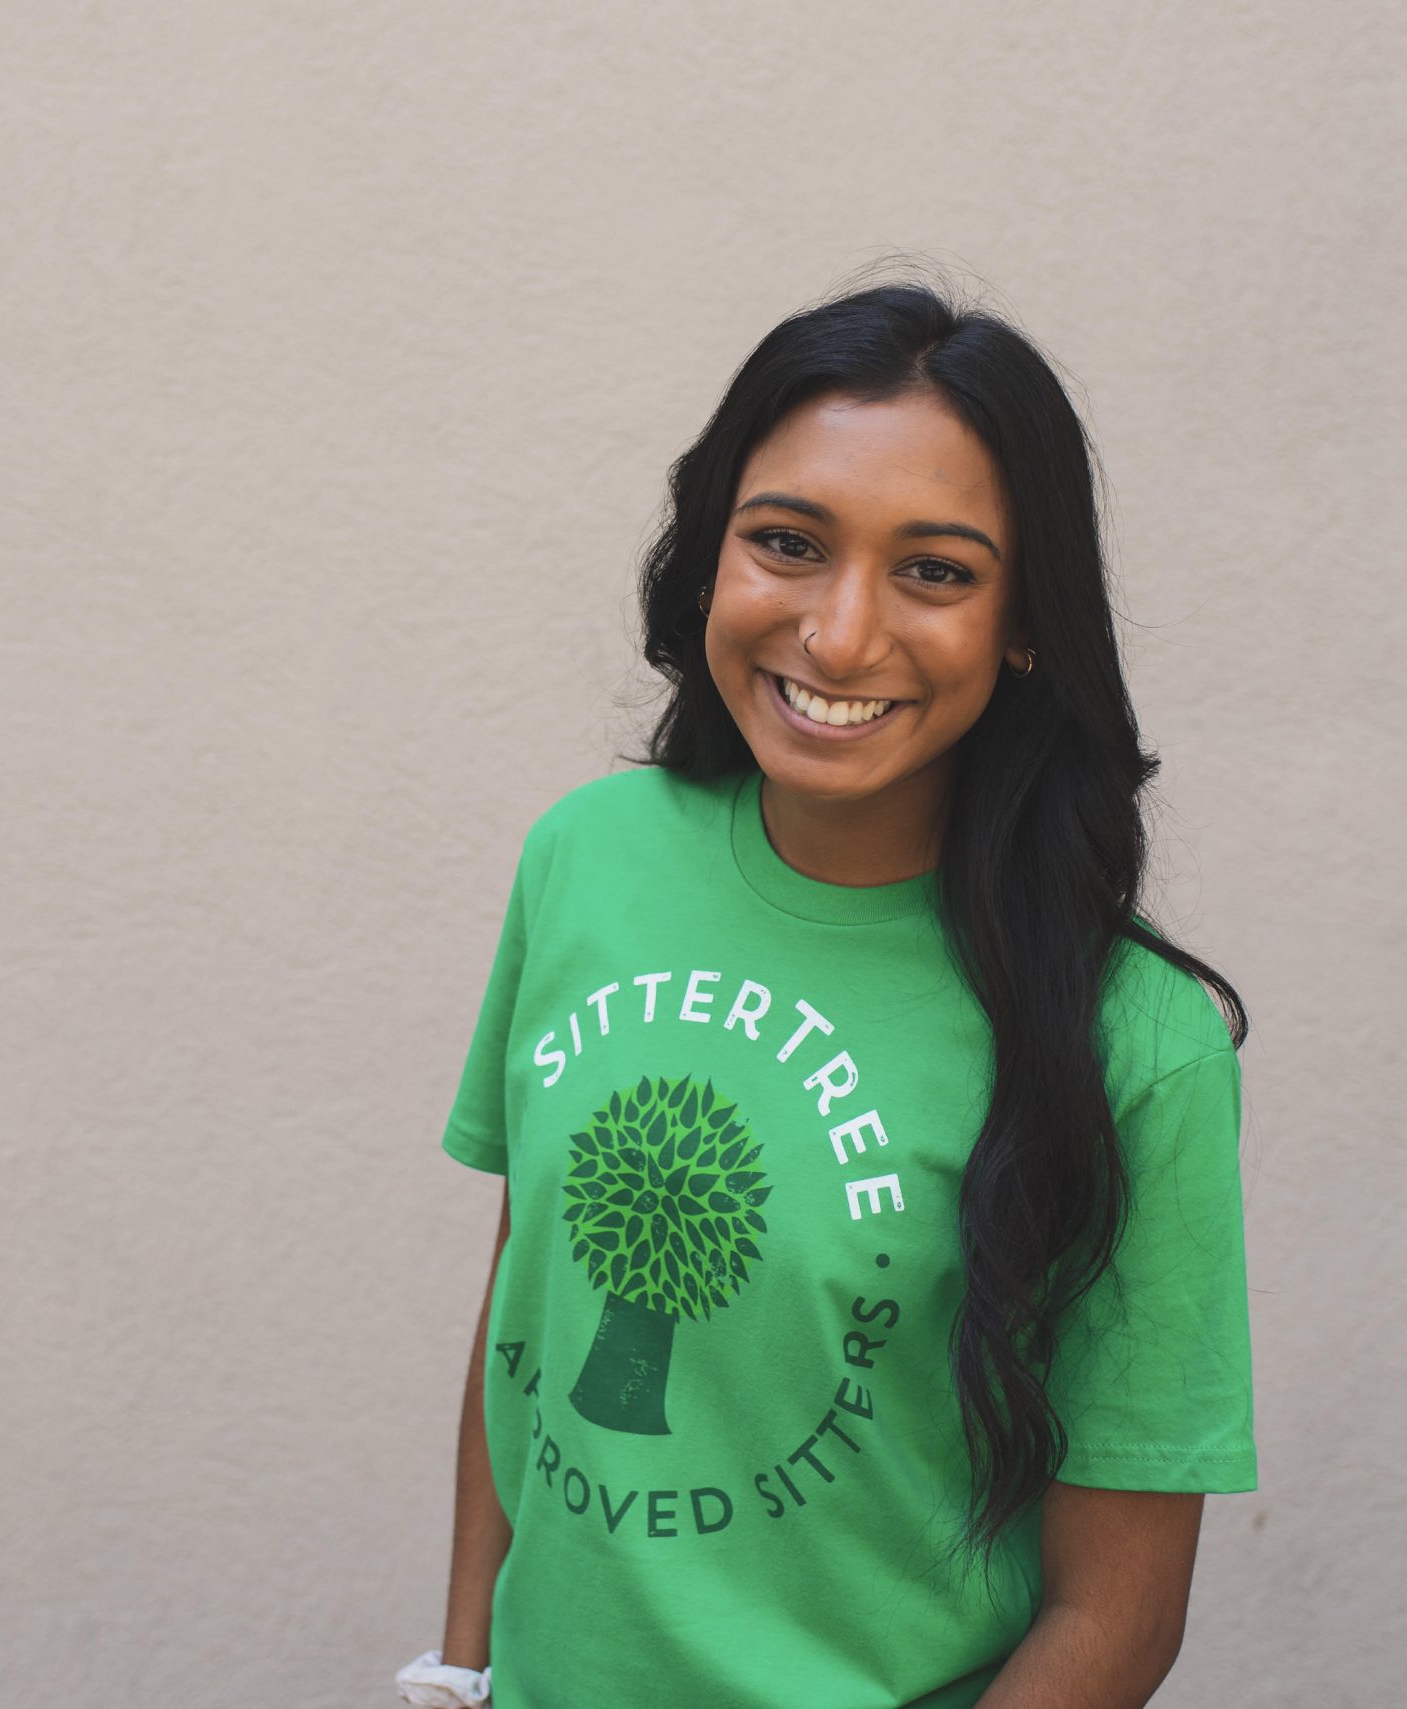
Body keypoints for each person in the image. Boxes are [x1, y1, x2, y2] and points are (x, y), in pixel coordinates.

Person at [400, 275, 1258, 1709]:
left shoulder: (1136, 1044)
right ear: (710, 558)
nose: (840, 634)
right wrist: (459, 1669)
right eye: (787, 543)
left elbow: (1119, 1614)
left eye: (934, 570)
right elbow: (527, 1311)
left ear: (1026, 620)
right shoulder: (585, 862)